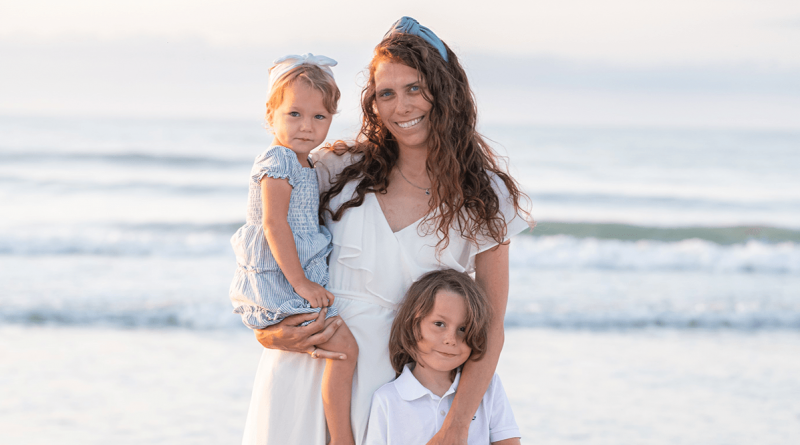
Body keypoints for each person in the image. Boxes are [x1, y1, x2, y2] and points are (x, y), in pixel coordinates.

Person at [243, 17, 532, 445]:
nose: (401, 106)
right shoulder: (338, 168)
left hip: (397, 392)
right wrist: (265, 328)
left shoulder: (484, 196)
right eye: (386, 94)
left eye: (415, 87)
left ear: (444, 89)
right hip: (307, 365)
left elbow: (489, 326)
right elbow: (264, 236)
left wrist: (456, 424)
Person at [229, 53, 358, 445]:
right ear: (271, 115)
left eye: (319, 117)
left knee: (338, 350)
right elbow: (274, 224)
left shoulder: (305, 162)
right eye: (295, 115)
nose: (307, 127)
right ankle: (340, 437)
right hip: (285, 281)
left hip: (295, 275)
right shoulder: (277, 160)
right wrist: (301, 283)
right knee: (345, 349)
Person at [365, 270, 522, 445]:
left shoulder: (489, 386)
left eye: (463, 329)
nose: (451, 339)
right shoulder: (387, 399)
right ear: (412, 325)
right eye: (439, 324)